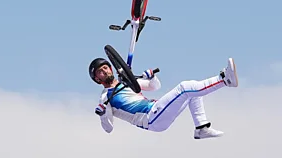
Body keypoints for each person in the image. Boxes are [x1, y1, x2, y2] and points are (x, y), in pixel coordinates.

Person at [89, 57, 238, 139]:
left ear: (111, 68)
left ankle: (201, 128)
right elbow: (108, 128)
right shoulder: (105, 98)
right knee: (185, 87)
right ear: (97, 79)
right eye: (100, 72)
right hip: (150, 118)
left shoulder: (126, 82)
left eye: (105, 67)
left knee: (192, 91)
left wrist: (152, 77)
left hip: (156, 111)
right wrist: (102, 115)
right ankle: (224, 80)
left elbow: (154, 86)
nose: (104, 71)